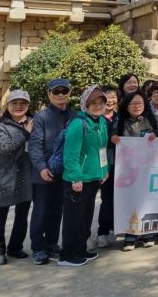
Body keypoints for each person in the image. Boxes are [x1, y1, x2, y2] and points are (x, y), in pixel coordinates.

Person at [59, 85, 109, 267]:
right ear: (85, 105)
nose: (97, 106)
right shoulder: (77, 124)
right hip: (78, 180)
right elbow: (71, 154)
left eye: (101, 102)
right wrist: (75, 178)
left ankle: (80, 249)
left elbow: (101, 149)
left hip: (94, 178)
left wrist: (104, 171)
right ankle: (67, 255)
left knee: (85, 217)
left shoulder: (101, 122)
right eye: (93, 103)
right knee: (73, 219)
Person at [29, 77, 77, 265]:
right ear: (49, 94)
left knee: (57, 211)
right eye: (55, 92)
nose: (60, 95)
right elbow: (34, 145)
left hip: (64, 172)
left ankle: (51, 243)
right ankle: (38, 247)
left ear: (69, 93)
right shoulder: (41, 117)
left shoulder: (75, 116)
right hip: (45, 172)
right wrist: (41, 167)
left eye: (63, 91)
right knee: (41, 211)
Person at [0, 90, 33, 265]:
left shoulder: (33, 122)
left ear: (28, 106)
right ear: (8, 106)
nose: (19, 107)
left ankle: (15, 247)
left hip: (26, 174)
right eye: (14, 103)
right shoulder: (2, 126)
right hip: (5, 175)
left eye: (23, 103)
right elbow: (4, 147)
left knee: (22, 215)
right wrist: (25, 133)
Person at [111, 91, 157, 251]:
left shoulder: (150, 119)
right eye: (133, 103)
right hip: (127, 170)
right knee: (129, 200)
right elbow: (110, 138)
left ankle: (148, 233)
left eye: (140, 103)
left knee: (146, 199)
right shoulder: (120, 122)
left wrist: (155, 134)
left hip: (148, 168)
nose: (137, 106)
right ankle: (130, 235)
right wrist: (113, 139)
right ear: (126, 105)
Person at [93, 86, 120, 250]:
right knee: (106, 199)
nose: (110, 100)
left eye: (113, 96)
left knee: (118, 198)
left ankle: (114, 228)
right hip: (101, 164)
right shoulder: (95, 118)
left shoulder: (121, 118)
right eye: (107, 97)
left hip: (122, 164)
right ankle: (102, 233)